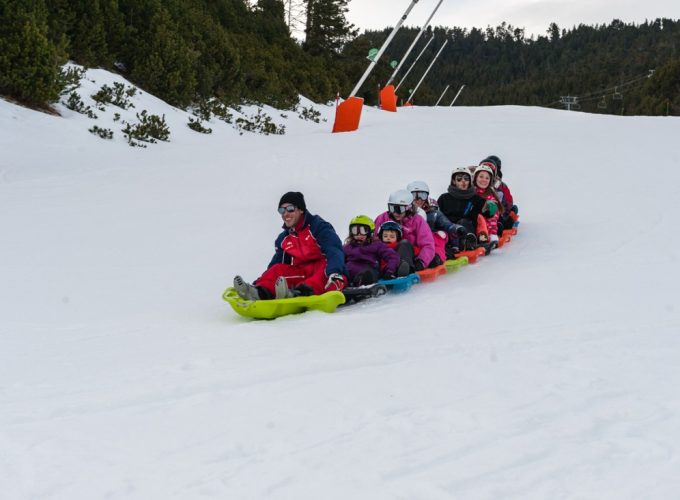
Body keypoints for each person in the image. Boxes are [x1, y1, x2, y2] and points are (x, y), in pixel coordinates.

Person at [233, 191, 348, 300]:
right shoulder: (284, 238)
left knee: (322, 272)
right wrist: (260, 281)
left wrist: (335, 272)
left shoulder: (318, 227)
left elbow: (334, 251)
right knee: (277, 269)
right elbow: (277, 264)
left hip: (330, 272)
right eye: (282, 210)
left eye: (290, 209)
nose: (285, 214)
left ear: (301, 210)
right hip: (303, 272)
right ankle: (258, 292)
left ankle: (297, 294)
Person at [375, 189, 438, 271]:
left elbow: (427, 244)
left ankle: (405, 268)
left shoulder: (417, 220)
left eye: (399, 209)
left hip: (408, 255)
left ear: (408, 208)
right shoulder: (383, 218)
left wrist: (421, 262)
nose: (395, 213)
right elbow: (373, 238)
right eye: (392, 208)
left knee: (404, 243)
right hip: (385, 254)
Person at [407, 180, 467, 258]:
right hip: (412, 240)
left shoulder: (433, 213)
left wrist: (456, 228)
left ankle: (438, 256)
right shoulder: (404, 213)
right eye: (414, 195)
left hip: (430, 241)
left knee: (440, 235)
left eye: (422, 195)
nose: (418, 199)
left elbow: (446, 224)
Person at [436, 166, 490, 250]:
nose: (463, 181)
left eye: (466, 178)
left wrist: (490, 208)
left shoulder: (476, 199)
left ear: (470, 181)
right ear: (454, 181)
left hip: (467, 228)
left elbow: (488, 214)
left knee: (464, 222)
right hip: (450, 229)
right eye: (459, 179)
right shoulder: (444, 198)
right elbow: (437, 215)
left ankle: (469, 242)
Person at [343, 215, 405, 286]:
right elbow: (339, 259)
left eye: (363, 230)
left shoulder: (376, 245)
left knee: (367, 273)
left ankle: (359, 283)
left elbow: (392, 256)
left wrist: (390, 271)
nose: (359, 233)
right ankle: (339, 284)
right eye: (355, 230)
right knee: (342, 271)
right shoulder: (347, 247)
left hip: (369, 271)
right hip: (348, 272)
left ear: (370, 231)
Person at [473, 164, 503, 243]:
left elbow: (493, 218)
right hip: (472, 224)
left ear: (490, 181)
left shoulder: (490, 196)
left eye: (487, 178)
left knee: (481, 217)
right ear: (475, 178)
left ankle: (484, 235)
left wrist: (492, 233)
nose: (484, 180)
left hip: (486, 227)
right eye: (481, 176)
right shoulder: (470, 193)